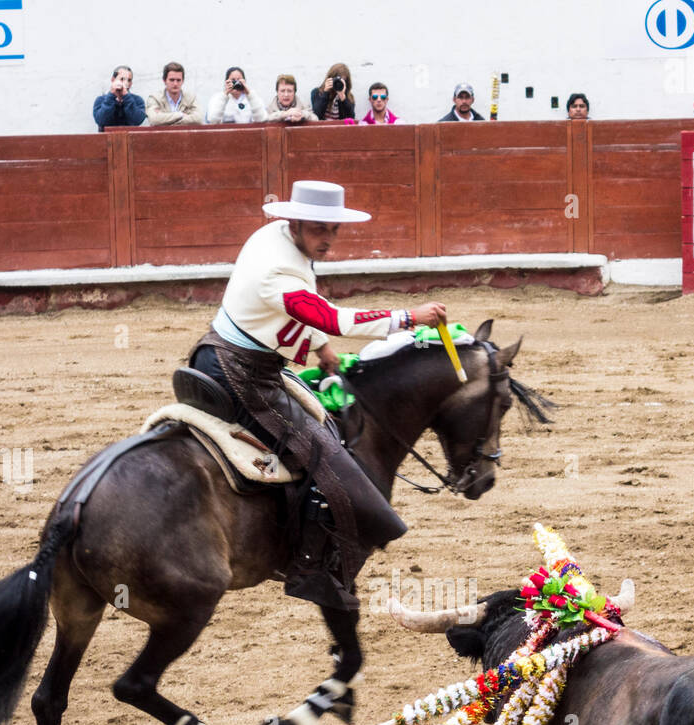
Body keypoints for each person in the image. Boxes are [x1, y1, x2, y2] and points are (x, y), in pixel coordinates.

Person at [187, 180, 447, 610]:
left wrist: (314, 348)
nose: (327, 239)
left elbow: (294, 312)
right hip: (243, 375)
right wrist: (407, 317)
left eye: (334, 229)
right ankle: (310, 570)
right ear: (295, 222)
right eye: (318, 229)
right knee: (325, 454)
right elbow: (329, 316)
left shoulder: (275, 239)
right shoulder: (277, 268)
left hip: (225, 352)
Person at [144, 62, 204, 126]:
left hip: (185, 135)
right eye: (172, 80)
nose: (175, 84)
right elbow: (154, 120)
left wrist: (165, 120)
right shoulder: (155, 98)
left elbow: (199, 119)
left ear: (183, 81)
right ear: (164, 81)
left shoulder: (191, 98)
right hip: (162, 136)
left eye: (178, 80)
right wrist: (180, 115)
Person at [93, 65, 146, 131]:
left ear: (131, 83)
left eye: (129, 80)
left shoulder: (137, 100)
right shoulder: (101, 100)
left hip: (130, 138)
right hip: (107, 139)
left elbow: (137, 120)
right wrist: (111, 95)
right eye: (122, 79)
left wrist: (126, 97)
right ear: (113, 79)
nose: (125, 83)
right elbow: (101, 120)